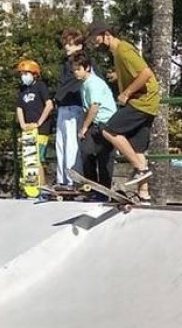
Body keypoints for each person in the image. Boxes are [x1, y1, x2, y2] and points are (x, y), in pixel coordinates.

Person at [87, 22, 159, 204]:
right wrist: (118, 76)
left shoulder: (123, 50)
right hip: (147, 103)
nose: (96, 45)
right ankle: (144, 195)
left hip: (141, 100)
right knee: (137, 148)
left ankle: (139, 168)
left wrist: (126, 93)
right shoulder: (117, 54)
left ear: (107, 35)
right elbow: (134, 71)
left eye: (97, 40)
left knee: (109, 130)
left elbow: (145, 73)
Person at [69, 51, 119, 192]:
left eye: (78, 70)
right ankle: (91, 188)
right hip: (95, 124)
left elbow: (94, 107)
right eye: (74, 71)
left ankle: (104, 189)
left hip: (106, 123)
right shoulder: (84, 84)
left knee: (105, 158)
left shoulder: (93, 83)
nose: (76, 73)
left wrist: (84, 127)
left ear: (87, 68)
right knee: (87, 153)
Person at [53, 30, 89, 187]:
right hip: (63, 107)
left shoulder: (83, 64)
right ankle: (62, 179)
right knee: (61, 144)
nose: (66, 47)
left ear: (79, 45)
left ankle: (74, 180)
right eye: (66, 44)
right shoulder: (66, 65)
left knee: (72, 146)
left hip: (75, 106)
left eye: (70, 44)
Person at [15, 59, 54, 188]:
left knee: (37, 159)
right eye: (21, 74)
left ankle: (42, 187)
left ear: (34, 73)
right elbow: (19, 108)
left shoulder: (40, 86)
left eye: (26, 73)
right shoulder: (22, 90)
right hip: (27, 130)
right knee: (28, 160)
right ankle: (31, 187)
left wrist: (38, 123)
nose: (23, 77)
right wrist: (22, 124)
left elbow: (49, 105)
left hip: (41, 129)